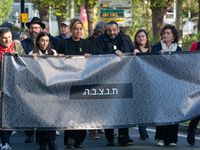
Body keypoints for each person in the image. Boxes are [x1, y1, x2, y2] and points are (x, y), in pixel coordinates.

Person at [95, 21, 135, 146]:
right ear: (106, 31)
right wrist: (112, 54)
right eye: (109, 30)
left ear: (118, 29)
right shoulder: (100, 40)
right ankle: (109, 137)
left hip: (124, 78)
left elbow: (132, 51)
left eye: (114, 30)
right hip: (108, 79)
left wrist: (136, 51)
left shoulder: (126, 39)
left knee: (124, 108)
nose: (112, 33)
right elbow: (97, 55)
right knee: (109, 109)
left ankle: (124, 136)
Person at [57, 18, 93, 149]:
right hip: (68, 83)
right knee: (70, 113)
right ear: (71, 30)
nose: (78, 31)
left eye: (80, 29)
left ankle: (79, 141)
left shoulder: (87, 44)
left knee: (81, 113)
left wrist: (90, 57)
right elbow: (57, 62)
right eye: (75, 29)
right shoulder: (63, 43)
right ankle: (70, 141)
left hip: (83, 83)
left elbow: (94, 64)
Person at [152, 24, 181, 147]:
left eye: (168, 33)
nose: (165, 35)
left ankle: (172, 139)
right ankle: (161, 138)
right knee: (162, 110)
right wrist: (159, 56)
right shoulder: (156, 47)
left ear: (173, 36)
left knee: (174, 111)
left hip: (174, 84)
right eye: (164, 33)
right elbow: (151, 63)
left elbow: (180, 66)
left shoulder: (178, 50)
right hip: (160, 83)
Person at [28, 32, 58, 150]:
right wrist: (33, 60)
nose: (44, 43)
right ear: (38, 41)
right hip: (38, 89)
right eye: (42, 40)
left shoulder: (53, 53)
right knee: (40, 116)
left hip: (51, 89)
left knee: (51, 116)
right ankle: (41, 142)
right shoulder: (32, 54)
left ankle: (51, 140)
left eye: (46, 40)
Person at [21, 17, 45, 143]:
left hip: (43, 80)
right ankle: (29, 133)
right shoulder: (23, 44)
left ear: (41, 29)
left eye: (36, 28)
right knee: (28, 108)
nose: (33, 30)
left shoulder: (48, 42)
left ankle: (44, 133)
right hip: (28, 79)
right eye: (31, 28)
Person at [0, 27, 24, 150]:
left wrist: (17, 57)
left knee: (10, 117)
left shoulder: (17, 47)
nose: (7, 40)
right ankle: (6, 143)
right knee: (3, 116)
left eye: (9, 37)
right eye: (4, 37)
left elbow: (25, 64)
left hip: (14, 88)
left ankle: (4, 140)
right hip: (1, 90)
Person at [133, 29, 152, 140]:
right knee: (140, 107)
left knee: (147, 107)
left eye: (143, 36)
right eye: (139, 36)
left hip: (149, 82)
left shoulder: (151, 49)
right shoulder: (133, 50)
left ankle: (144, 128)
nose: (141, 38)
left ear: (146, 38)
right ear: (136, 39)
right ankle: (142, 130)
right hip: (137, 82)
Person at [185, 41, 200, 145]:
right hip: (197, 82)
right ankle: (192, 129)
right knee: (197, 109)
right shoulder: (196, 45)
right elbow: (190, 61)